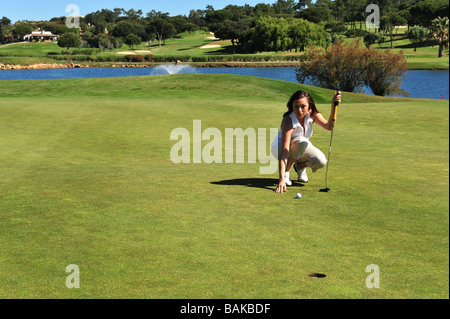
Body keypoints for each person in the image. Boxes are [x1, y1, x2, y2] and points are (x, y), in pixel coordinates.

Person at [271, 90, 341, 193]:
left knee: (320, 161)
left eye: (303, 106)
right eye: (296, 106)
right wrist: (281, 179)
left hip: (300, 146)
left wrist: (333, 107)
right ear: (292, 106)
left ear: (309, 105)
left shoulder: (312, 114)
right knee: (302, 142)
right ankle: (287, 171)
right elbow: (284, 152)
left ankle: (299, 166)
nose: (299, 110)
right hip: (280, 148)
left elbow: (329, 126)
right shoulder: (288, 120)